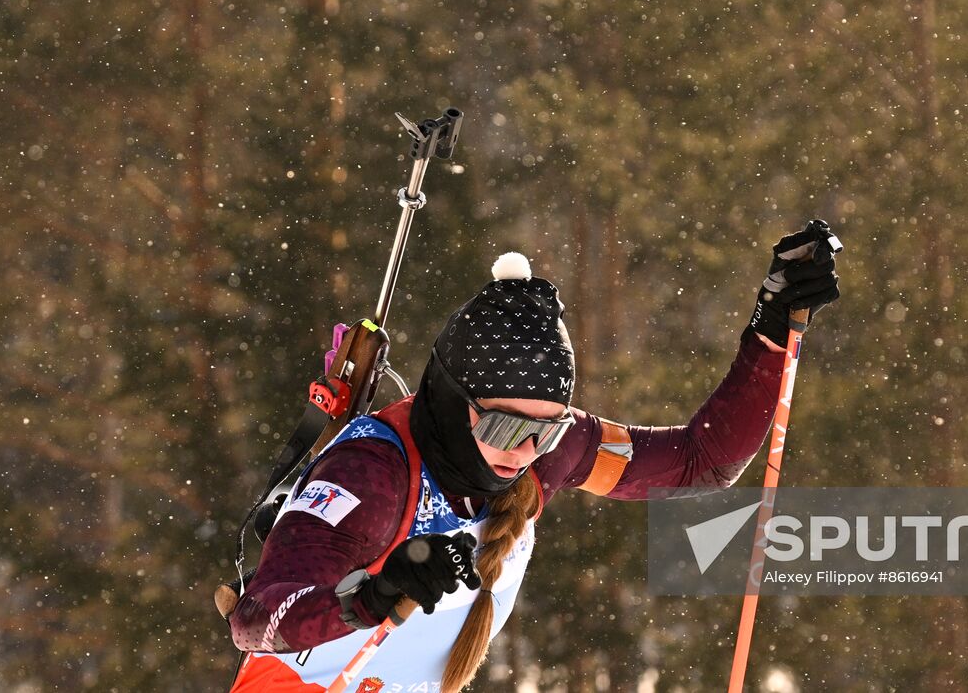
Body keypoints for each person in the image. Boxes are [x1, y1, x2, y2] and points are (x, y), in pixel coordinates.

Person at [228, 221, 840, 692]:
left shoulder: (549, 452)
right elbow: (255, 616)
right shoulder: (371, 474)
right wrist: (368, 595)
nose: (523, 453)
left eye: (545, 432)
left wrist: (772, 330)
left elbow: (702, 460)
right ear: (449, 399)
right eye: (500, 424)